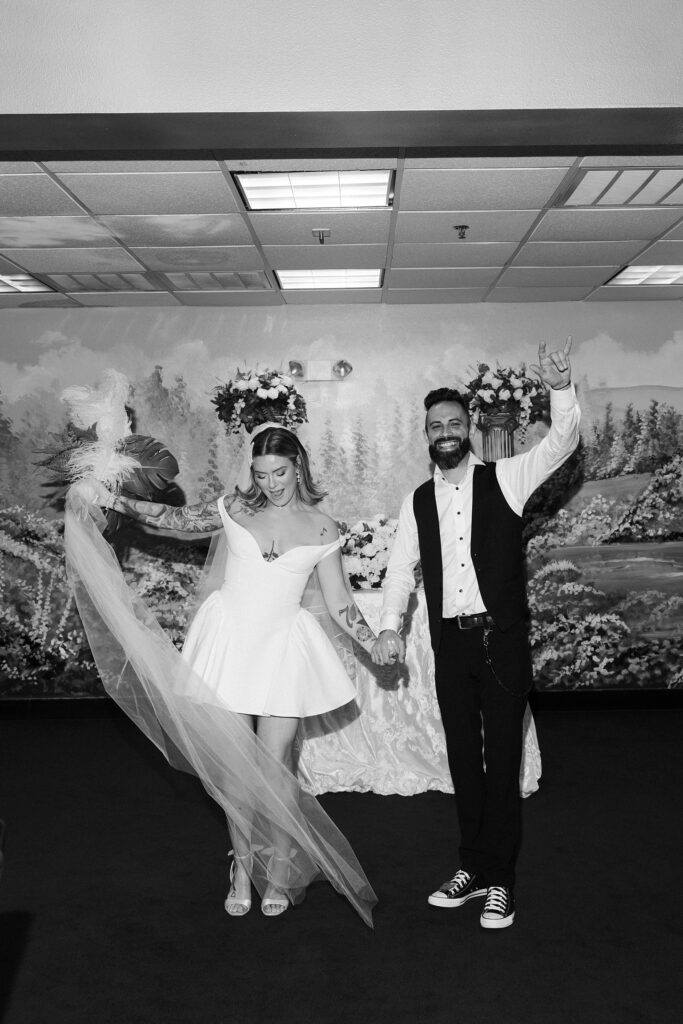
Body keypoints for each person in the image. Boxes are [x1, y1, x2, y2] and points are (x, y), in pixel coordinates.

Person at [67, 423, 378, 924]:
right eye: (262, 473)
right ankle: (241, 868)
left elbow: (341, 605)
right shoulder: (235, 507)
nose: (272, 482)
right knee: (236, 769)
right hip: (230, 642)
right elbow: (171, 516)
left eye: (280, 472)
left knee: (275, 769)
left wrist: (374, 641)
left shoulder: (323, 527)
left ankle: (277, 869)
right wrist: (113, 499)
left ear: (298, 466)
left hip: (283, 648)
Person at [372, 339, 579, 930]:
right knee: (463, 759)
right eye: (435, 425)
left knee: (503, 760)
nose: (445, 432)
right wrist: (389, 629)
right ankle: (473, 865)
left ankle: (501, 882)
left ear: (468, 429)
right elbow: (397, 574)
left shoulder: (508, 478)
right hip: (451, 643)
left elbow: (562, 443)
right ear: (428, 434)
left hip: (503, 642)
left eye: (454, 423)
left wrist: (560, 387)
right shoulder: (416, 502)